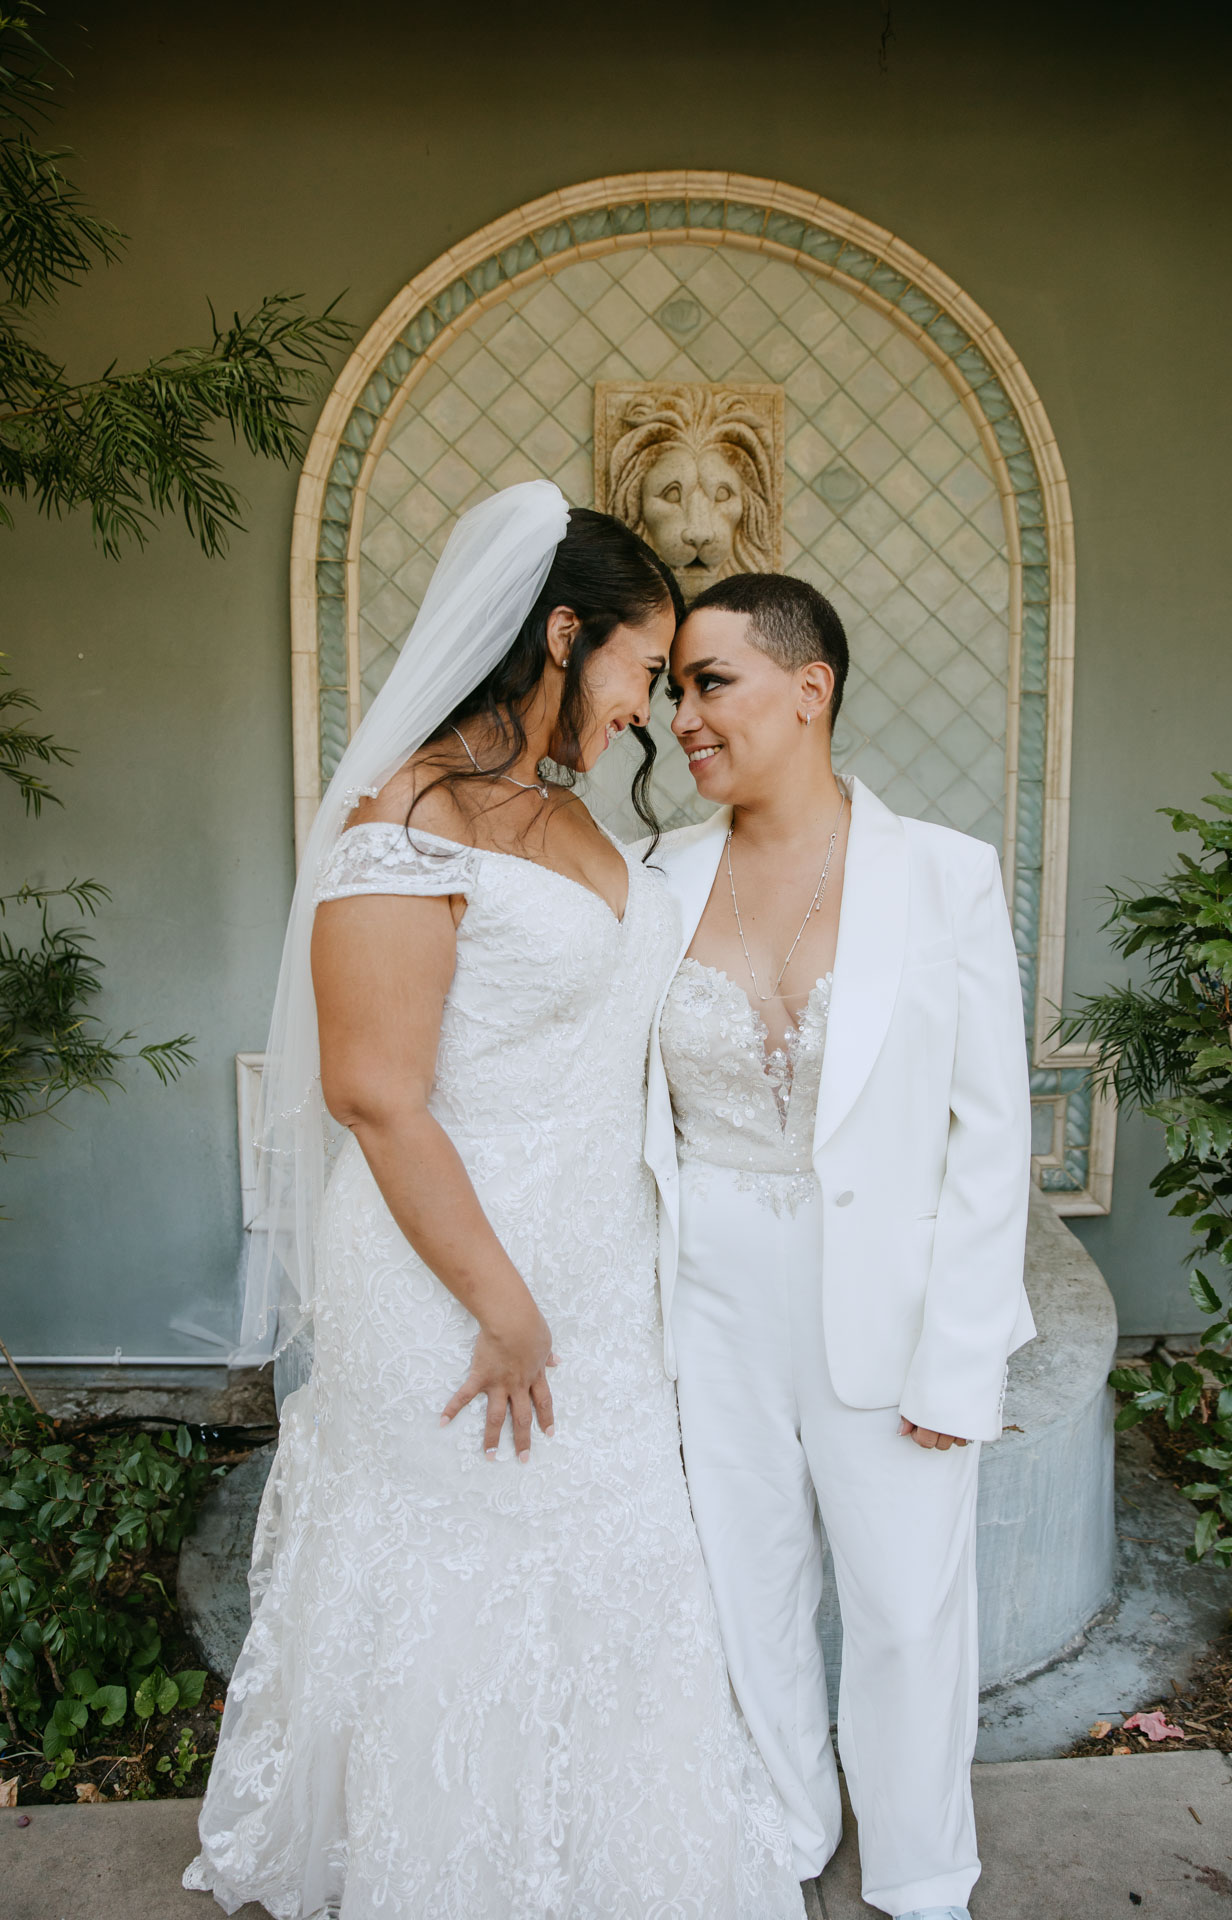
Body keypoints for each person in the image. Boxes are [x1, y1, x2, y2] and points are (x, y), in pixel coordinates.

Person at [185, 485, 804, 1920]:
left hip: (602, 1263)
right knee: (465, 1569)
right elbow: (375, 1095)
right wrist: (504, 1306)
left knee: (613, 1560)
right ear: (564, 634)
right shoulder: (404, 822)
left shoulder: (568, 813)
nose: (651, 711)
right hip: (456, 1276)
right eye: (642, 669)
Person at [646, 572, 1034, 1919]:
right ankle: (788, 1823)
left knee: (909, 1607)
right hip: (707, 1297)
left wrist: (961, 1358)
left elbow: (990, 1134)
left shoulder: (943, 873)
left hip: (891, 1299)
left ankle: (922, 1867)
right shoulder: (653, 876)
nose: (683, 717)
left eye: (711, 683)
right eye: (674, 690)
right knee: (744, 1586)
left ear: (809, 688)